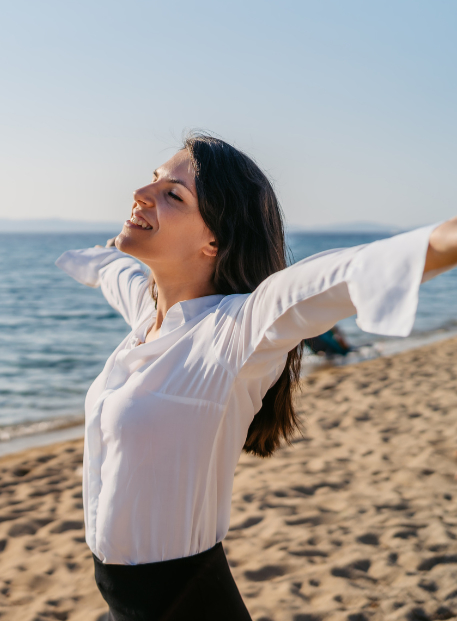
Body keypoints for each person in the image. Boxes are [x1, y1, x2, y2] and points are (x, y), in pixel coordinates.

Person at [56, 133, 457, 621]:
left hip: (187, 605)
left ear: (214, 241)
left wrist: (443, 242)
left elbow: (349, 271)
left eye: (172, 194)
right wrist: (91, 258)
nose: (143, 191)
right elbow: (110, 269)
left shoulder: (238, 330)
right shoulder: (147, 312)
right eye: (155, 179)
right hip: (124, 602)